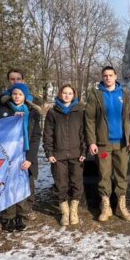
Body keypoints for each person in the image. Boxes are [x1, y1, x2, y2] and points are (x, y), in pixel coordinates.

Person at [85, 66, 130, 222]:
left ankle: (121, 206)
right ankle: (105, 206)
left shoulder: (126, 94)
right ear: (102, 77)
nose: (108, 78)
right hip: (103, 144)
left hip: (122, 143)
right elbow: (89, 119)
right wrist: (92, 142)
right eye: (105, 75)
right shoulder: (96, 94)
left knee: (121, 174)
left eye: (110, 75)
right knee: (104, 174)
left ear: (116, 76)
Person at [0, 83, 42, 232]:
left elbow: (36, 136)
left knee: (22, 184)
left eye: (20, 94)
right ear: (11, 95)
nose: (17, 97)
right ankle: (8, 216)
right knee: (7, 185)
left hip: (24, 154)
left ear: (25, 97)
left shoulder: (32, 113)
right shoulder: (1, 110)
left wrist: (30, 157)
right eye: (15, 94)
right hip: (7, 154)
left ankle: (20, 214)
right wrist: (12, 118)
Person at [43, 84, 86, 227]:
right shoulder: (52, 112)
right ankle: (64, 212)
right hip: (58, 155)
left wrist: (84, 151)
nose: (67, 95)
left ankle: (73, 211)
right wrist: (49, 152)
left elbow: (84, 133)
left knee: (76, 183)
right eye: (64, 93)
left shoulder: (80, 111)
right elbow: (47, 134)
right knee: (61, 184)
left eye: (70, 93)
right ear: (60, 94)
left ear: (74, 95)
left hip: (76, 154)